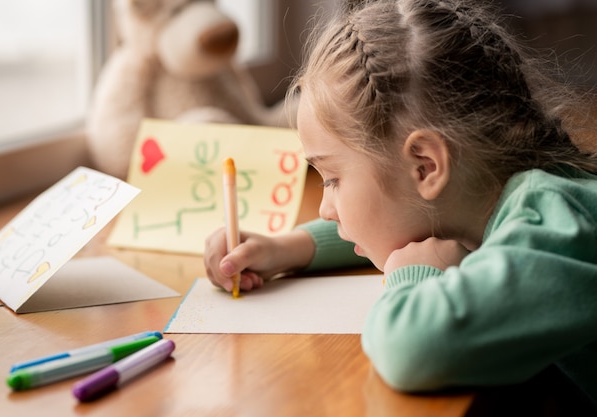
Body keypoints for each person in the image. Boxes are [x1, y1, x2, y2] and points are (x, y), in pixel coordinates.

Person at [204, 0, 597, 408]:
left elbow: (413, 352)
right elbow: (405, 222)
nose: (325, 209)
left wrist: (414, 277)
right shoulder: (503, 198)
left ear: (426, 166)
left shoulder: (554, 236)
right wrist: (290, 248)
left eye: (334, 179)